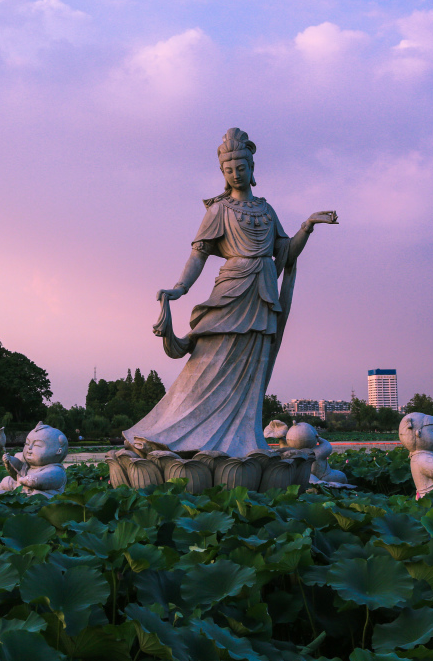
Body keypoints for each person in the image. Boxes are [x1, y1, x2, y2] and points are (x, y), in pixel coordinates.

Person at [123, 128, 337, 457]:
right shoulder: (218, 210)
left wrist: (307, 226)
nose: (236, 174)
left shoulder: (266, 211)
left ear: (252, 168)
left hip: (261, 293)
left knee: (250, 369)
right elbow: (199, 253)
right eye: (229, 170)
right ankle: (177, 432)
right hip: (232, 290)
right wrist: (180, 288)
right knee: (210, 363)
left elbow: (286, 253)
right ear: (223, 173)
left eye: (241, 167)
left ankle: (240, 441)